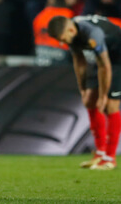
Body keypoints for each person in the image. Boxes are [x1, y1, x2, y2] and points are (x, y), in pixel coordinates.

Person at [47, 15, 121, 170]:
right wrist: (82, 89)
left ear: (71, 30)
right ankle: (100, 153)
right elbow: (80, 62)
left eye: (63, 39)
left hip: (116, 59)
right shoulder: (72, 33)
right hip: (103, 60)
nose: (62, 43)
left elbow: (105, 66)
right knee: (88, 100)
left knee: (110, 105)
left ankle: (109, 159)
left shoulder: (93, 34)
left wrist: (102, 96)